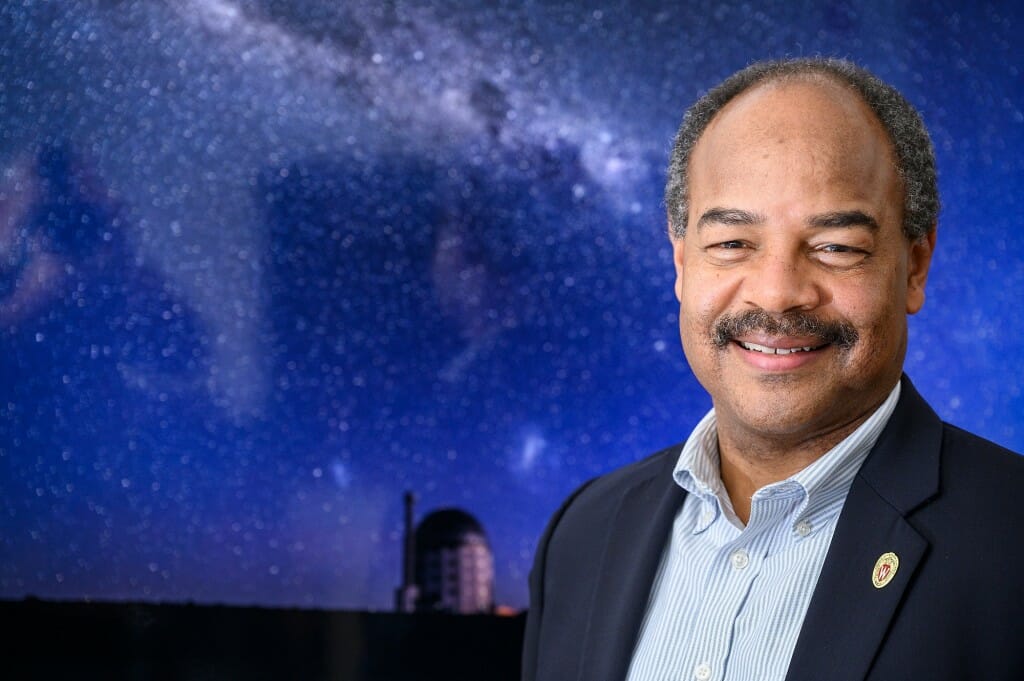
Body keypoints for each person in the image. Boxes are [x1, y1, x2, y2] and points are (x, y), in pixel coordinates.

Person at [521, 58, 1024, 681]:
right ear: (681, 262)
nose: (777, 293)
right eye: (732, 244)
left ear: (915, 266)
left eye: (836, 247)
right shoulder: (584, 534)